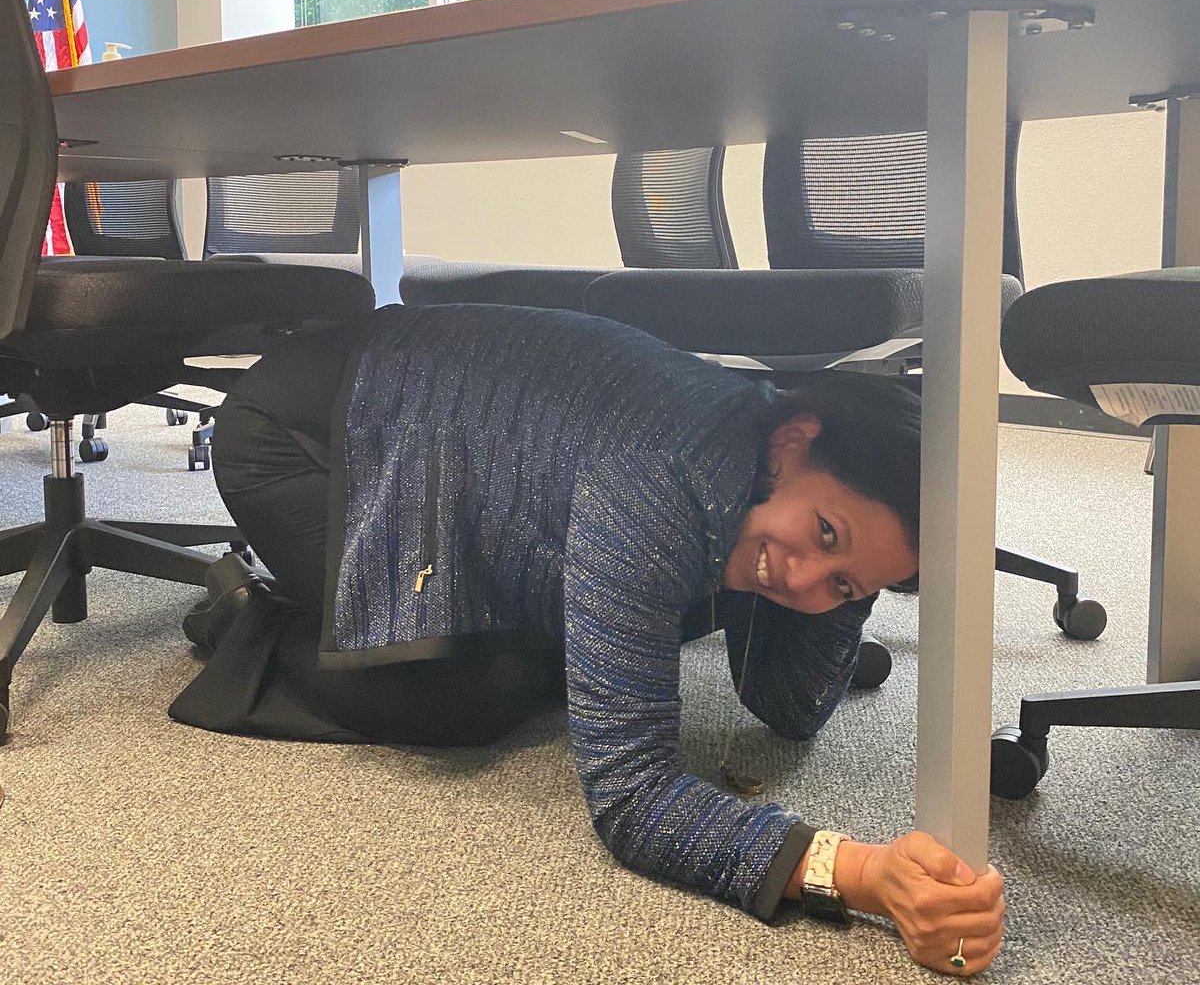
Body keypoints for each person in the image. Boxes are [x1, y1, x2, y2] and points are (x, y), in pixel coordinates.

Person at [170, 303, 1004, 975]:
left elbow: (788, 707)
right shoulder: (663, 487)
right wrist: (858, 872)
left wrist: (863, 575)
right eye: (824, 534)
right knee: (472, 696)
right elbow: (633, 799)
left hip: (473, 459)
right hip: (314, 437)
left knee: (621, 633)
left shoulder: (757, 495)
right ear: (791, 442)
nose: (803, 580)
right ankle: (248, 618)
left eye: (846, 583)